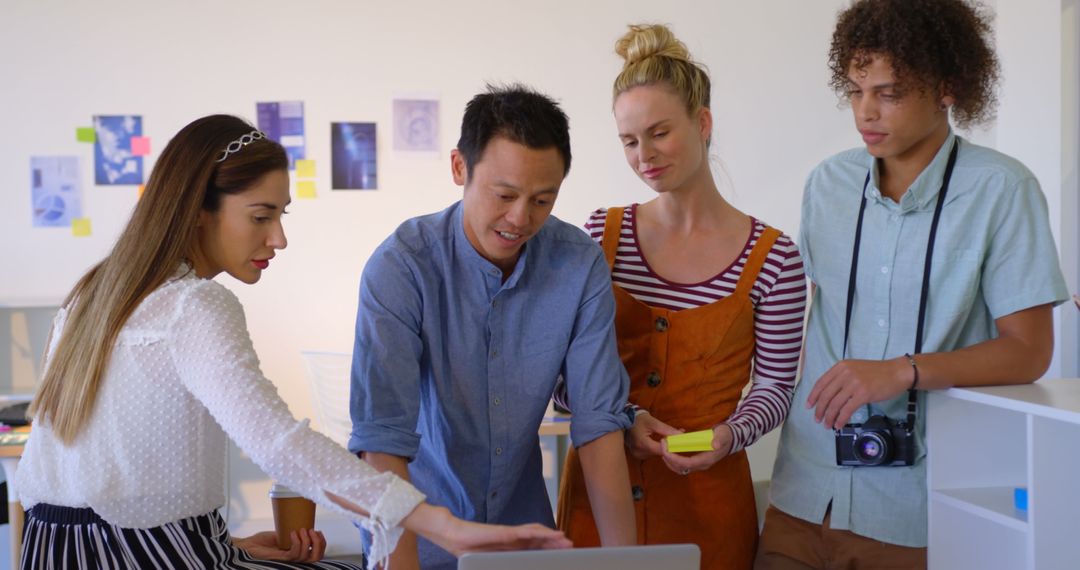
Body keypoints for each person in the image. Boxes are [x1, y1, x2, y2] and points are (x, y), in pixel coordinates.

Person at [17, 114, 570, 570]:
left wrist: (222, 547)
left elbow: (69, 488)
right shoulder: (194, 305)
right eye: (261, 216)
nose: (278, 238)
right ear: (196, 209)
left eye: (281, 215)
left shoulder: (94, 291)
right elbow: (278, 444)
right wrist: (436, 522)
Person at [756, 1, 1069, 568]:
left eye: (889, 93)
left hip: (915, 510)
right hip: (801, 494)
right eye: (855, 90)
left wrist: (904, 369)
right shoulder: (826, 184)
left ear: (947, 86)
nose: (865, 113)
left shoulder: (1003, 189)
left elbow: (1030, 351)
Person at [349, 85, 637, 570]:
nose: (520, 218)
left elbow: (599, 425)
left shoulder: (577, 264)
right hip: (415, 540)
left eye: (543, 200)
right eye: (504, 195)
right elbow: (382, 440)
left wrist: (630, 564)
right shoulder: (402, 267)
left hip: (523, 539)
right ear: (460, 167)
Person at [554, 24, 807, 570]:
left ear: (703, 122)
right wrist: (621, 417)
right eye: (628, 140)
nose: (644, 154)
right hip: (597, 503)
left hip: (709, 509)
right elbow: (560, 378)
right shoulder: (600, 237)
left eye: (659, 132)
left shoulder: (777, 258)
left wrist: (731, 434)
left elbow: (776, 386)